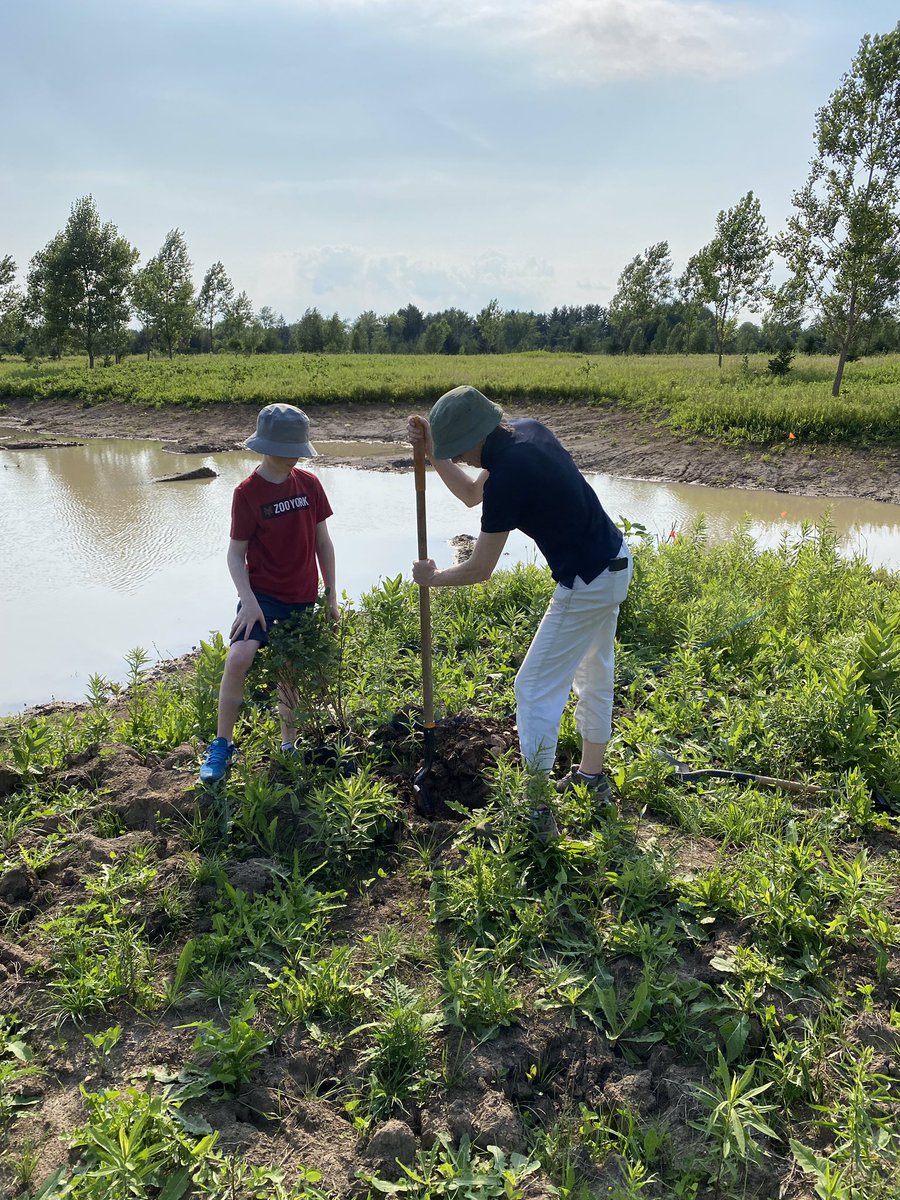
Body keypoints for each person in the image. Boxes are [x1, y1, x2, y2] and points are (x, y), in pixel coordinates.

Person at [408, 385, 632, 839]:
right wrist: (434, 452)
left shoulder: (509, 475)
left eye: (459, 449)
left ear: (476, 437)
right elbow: (472, 494)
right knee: (593, 672)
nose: (464, 459)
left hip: (586, 583)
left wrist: (433, 578)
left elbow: (480, 568)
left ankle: (535, 808)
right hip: (615, 562)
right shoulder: (525, 432)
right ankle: (592, 778)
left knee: (531, 687)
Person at [199, 403, 340, 784]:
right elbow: (235, 554)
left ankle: (288, 745)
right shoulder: (247, 493)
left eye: (298, 448)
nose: (295, 455)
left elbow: (323, 545)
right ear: (265, 446)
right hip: (261, 596)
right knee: (239, 657)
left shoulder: (309, 484)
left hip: (302, 596)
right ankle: (221, 745)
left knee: (289, 671)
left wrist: (331, 596)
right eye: (287, 448)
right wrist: (248, 601)